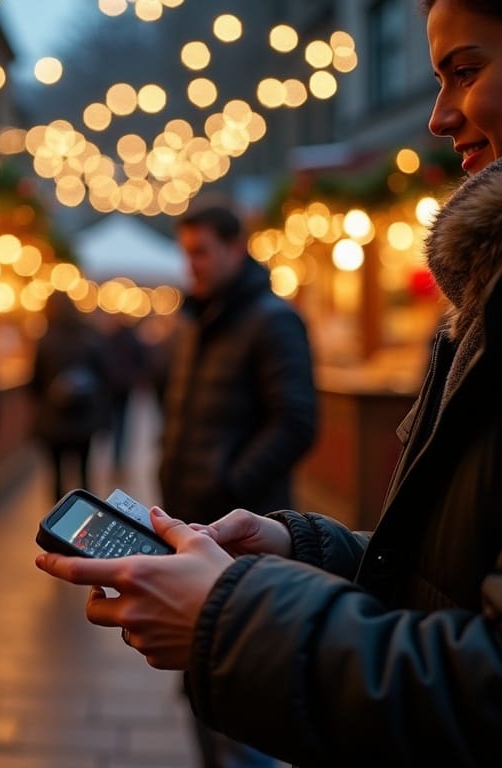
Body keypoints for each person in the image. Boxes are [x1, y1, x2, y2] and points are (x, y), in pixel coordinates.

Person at [36, 2, 502, 765]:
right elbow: (451, 580)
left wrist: (227, 611)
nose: (438, 117)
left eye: (466, 71)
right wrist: (296, 542)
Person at [159, 194, 317, 767]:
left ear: (234, 248)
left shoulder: (272, 320)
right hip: (193, 526)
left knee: (241, 681)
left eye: (201, 253)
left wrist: (231, 483)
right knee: (199, 677)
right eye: (186, 254)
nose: (192, 266)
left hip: (246, 532)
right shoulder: (198, 319)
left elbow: (297, 421)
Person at [30, 291, 109, 502]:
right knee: (84, 473)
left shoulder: (45, 340)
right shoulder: (89, 337)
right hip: (84, 419)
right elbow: (103, 376)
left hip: (52, 420)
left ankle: (56, 524)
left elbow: (35, 382)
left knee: (56, 475)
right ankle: (89, 517)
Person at [100, 315, 148, 474]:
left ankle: (117, 458)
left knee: (117, 423)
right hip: (121, 387)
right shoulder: (131, 338)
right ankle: (118, 458)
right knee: (120, 423)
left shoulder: (108, 338)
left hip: (114, 387)